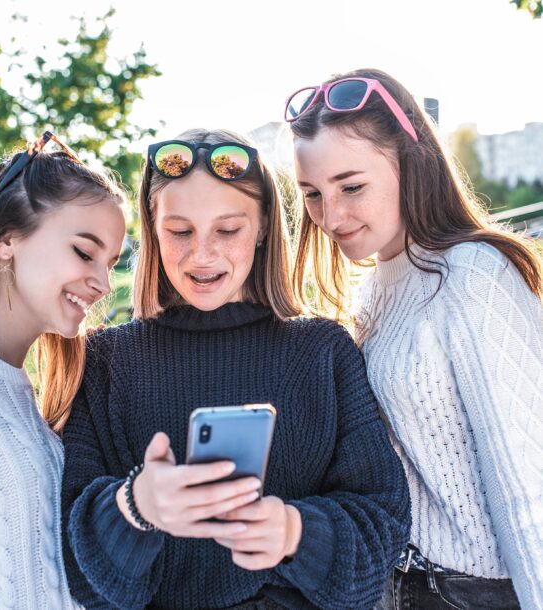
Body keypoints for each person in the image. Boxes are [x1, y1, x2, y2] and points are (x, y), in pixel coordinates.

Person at [61, 127, 411, 610]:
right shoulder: (105, 362)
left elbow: (383, 527)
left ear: (265, 225)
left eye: (228, 230)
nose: (202, 255)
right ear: (152, 228)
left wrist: (295, 534)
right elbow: (74, 564)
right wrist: (134, 507)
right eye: (179, 231)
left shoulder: (324, 351)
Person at [287, 68, 543, 610]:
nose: (330, 216)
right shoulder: (370, 295)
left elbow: (528, 484)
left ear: (410, 160)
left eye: (351, 186)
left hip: (481, 593)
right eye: (312, 194)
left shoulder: (471, 274)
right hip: (397, 588)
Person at [0, 131, 126, 609]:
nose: (103, 283)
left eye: (111, 263)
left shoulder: (34, 403)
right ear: (5, 240)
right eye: (85, 252)